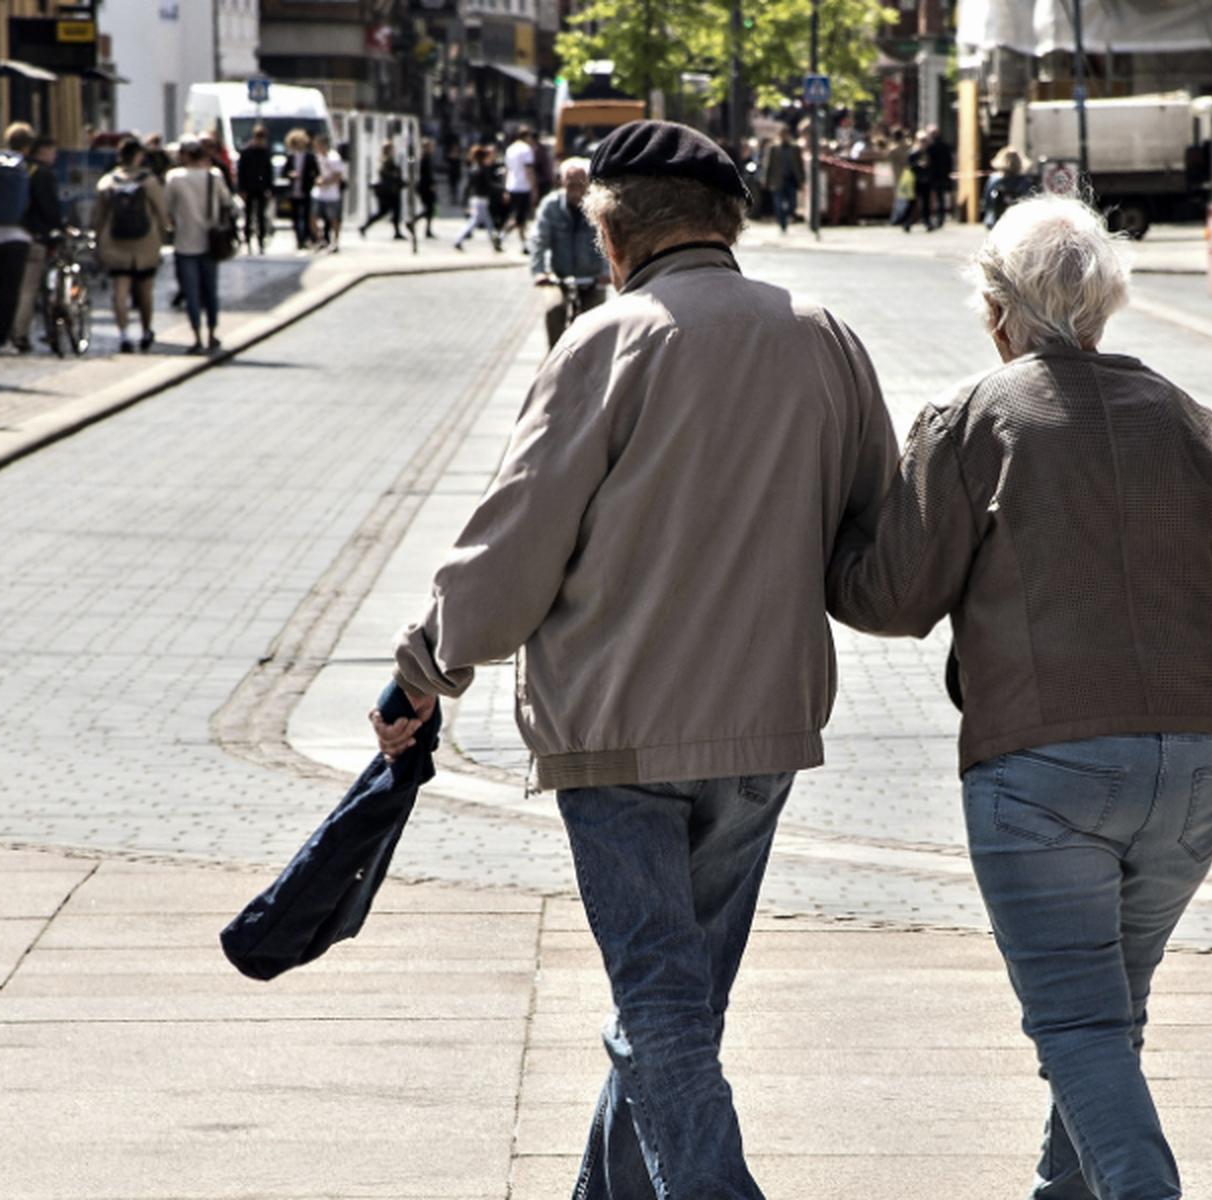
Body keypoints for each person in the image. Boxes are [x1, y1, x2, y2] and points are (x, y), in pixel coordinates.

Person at [376, 119, 898, 1200]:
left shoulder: (609, 342)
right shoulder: (824, 337)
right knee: (679, 1005)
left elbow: (515, 539)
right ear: (731, 222)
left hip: (614, 733)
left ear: (610, 239)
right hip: (762, 725)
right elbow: (876, 552)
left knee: (661, 1006)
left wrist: (427, 668)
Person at [827, 196, 1212, 1200]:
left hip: (1043, 765)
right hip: (1193, 767)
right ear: (1103, 307)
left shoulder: (971, 421)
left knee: (1081, 1027)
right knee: (1109, 1018)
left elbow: (894, 599)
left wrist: (825, 541)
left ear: (997, 311)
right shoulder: (1200, 426)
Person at [91, 137, 169, 353]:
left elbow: (98, 215)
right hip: (145, 242)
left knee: (120, 290)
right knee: (145, 290)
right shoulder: (149, 181)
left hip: (115, 241)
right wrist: (164, 234)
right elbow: (162, 212)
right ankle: (146, 331)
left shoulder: (108, 181)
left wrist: (97, 239)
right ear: (139, 156)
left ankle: (124, 335)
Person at [527, 157, 607, 350]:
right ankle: (554, 356)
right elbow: (540, 239)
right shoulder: (550, 205)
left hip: (593, 277)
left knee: (597, 320)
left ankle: (593, 359)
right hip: (559, 276)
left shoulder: (599, 205)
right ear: (562, 182)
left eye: (581, 184)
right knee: (554, 309)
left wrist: (607, 272)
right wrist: (540, 272)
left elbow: (609, 239)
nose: (576, 189)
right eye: (571, 184)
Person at [0, 122, 39, 354]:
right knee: (11, 288)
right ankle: (4, 338)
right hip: (18, 235)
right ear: (28, 146)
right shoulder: (28, 169)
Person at [163, 138, 228, 355]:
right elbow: (227, 203)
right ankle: (211, 334)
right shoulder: (214, 177)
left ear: (185, 157)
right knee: (211, 291)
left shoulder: (174, 178)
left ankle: (197, 337)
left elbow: (167, 208)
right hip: (211, 241)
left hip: (185, 242)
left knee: (191, 293)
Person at [9, 134, 63, 352]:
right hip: (34, 237)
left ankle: (1, 332)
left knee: (8, 286)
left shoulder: (16, 170)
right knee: (28, 289)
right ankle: (19, 334)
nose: (54, 156)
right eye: (52, 152)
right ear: (42, 151)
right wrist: (58, 227)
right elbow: (50, 208)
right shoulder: (42, 173)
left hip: (3, 235)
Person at [452, 144, 503, 252]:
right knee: (475, 222)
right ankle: (458, 240)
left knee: (488, 223)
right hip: (480, 199)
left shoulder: (474, 169)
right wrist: (500, 189)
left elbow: (468, 186)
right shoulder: (481, 170)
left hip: (477, 199)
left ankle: (495, 242)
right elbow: (488, 185)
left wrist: (464, 200)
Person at [236, 124, 274, 254]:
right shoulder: (246, 152)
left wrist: (269, 188)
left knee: (261, 216)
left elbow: (269, 172)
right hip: (248, 188)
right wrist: (241, 189)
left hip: (261, 188)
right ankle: (247, 241)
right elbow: (241, 172)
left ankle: (261, 242)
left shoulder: (265, 152)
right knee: (248, 216)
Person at [761, 126, 804, 234]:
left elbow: (799, 165)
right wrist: (765, 180)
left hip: (791, 180)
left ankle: (786, 217)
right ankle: (782, 223)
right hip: (777, 180)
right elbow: (768, 165)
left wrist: (802, 179)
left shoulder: (795, 148)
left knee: (793, 204)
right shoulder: (773, 148)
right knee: (778, 204)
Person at [500, 127, 536, 250]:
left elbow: (507, 170)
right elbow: (529, 170)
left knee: (519, 216)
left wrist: (505, 188)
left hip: (511, 185)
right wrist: (533, 187)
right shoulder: (526, 150)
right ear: (526, 136)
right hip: (523, 186)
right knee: (519, 217)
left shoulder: (510, 149)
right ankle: (501, 237)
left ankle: (523, 244)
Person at [282, 129, 319, 249]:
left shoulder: (310, 156)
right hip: (293, 191)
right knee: (295, 217)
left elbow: (316, 172)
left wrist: (310, 178)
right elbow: (284, 173)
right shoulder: (291, 157)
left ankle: (308, 238)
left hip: (306, 189)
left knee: (307, 215)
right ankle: (299, 240)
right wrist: (290, 175)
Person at [983, 147, 1038, 228]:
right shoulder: (1025, 181)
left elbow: (987, 201)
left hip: (996, 219)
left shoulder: (994, 180)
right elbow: (1030, 200)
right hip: (1019, 220)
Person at [359, 141, 404, 240]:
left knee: (390, 211)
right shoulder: (385, 160)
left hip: (390, 190)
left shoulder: (387, 159)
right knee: (385, 211)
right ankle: (364, 226)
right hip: (388, 191)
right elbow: (385, 173)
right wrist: (396, 176)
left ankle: (396, 231)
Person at [312, 132, 346, 251]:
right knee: (313, 216)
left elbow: (338, 176)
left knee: (333, 218)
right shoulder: (319, 157)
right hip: (319, 193)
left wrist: (324, 182)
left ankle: (335, 242)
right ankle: (321, 239)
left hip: (332, 194)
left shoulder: (333, 157)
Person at [922, 124, 954, 230]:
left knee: (932, 198)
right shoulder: (944, 146)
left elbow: (926, 162)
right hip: (941, 175)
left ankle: (934, 218)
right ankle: (939, 218)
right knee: (940, 198)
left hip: (933, 176)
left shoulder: (930, 147)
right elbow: (949, 161)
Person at [407, 137, 438, 239]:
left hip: (425, 186)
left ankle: (427, 230)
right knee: (428, 209)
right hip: (426, 187)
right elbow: (427, 174)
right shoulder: (425, 158)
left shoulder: (426, 157)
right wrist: (431, 185)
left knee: (430, 209)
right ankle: (412, 222)